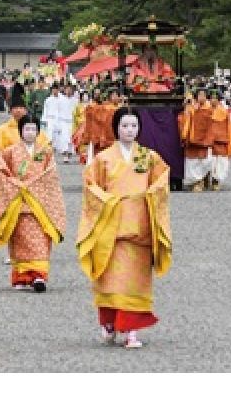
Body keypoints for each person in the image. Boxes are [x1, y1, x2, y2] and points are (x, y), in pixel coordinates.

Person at [77, 107, 171, 349]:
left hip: (139, 225)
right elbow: (90, 187)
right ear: (116, 128)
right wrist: (108, 201)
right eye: (125, 126)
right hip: (112, 226)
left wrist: (151, 194)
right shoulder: (104, 158)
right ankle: (108, 322)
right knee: (112, 280)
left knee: (135, 281)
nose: (130, 130)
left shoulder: (148, 157)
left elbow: (162, 181)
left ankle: (131, 330)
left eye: (134, 126)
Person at [0, 115, 66, 292]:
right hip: (18, 203)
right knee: (21, 241)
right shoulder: (10, 152)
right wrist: (18, 186)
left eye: (33, 129)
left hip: (40, 204)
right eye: (27, 129)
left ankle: (39, 276)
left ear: (38, 131)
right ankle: (22, 277)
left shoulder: (45, 152)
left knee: (40, 241)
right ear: (20, 131)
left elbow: (51, 175)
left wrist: (34, 187)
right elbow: (2, 174)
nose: (30, 133)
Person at [0, 83, 48, 204]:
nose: (18, 110)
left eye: (21, 108)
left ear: (26, 109)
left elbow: (45, 145)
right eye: (15, 108)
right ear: (11, 110)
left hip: (31, 173)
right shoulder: (2, 130)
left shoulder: (33, 129)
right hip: (9, 173)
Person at [181, 89, 213, 192]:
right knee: (192, 161)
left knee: (205, 161)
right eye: (199, 95)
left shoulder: (210, 109)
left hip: (205, 138)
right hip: (192, 138)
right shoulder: (191, 109)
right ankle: (195, 181)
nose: (201, 97)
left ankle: (202, 179)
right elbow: (184, 121)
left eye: (203, 95)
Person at [207, 89, 231, 191]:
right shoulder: (205, 110)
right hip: (207, 140)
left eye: (215, 98)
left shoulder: (224, 112)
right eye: (211, 98)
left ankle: (216, 180)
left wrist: (230, 140)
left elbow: (229, 128)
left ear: (219, 100)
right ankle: (205, 179)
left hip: (220, 140)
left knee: (219, 162)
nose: (213, 100)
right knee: (207, 160)